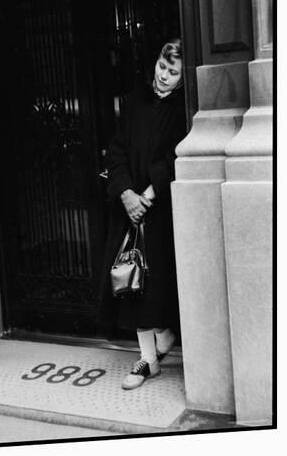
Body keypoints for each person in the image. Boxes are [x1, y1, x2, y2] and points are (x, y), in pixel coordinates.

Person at [97, 37, 187, 390]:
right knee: (130, 283)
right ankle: (148, 360)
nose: (164, 76)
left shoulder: (182, 110)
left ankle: (163, 337)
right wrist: (126, 194)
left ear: (182, 77)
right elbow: (115, 152)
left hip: (158, 209)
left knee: (155, 286)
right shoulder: (134, 102)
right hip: (129, 209)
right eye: (162, 67)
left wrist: (147, 195)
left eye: (173, 72)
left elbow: (175, 156)